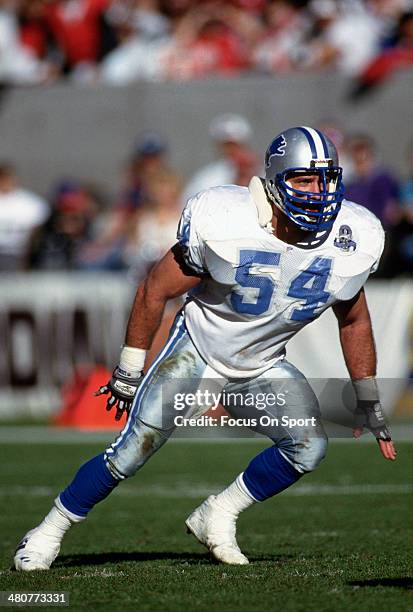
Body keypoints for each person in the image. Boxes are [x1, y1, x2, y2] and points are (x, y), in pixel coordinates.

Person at [14, 125, 396, 571]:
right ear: (274, 181)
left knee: (308, 447)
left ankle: (219, 513)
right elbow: (154, 289)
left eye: (326, 179)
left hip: (261, 366)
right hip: (198, 350)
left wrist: (366, 396)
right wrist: (128, 368)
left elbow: (354, 319)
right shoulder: (228, 220)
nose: (318, 192)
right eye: (303, 180)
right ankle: (48, 531)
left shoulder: (353, 235)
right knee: (130, 451)